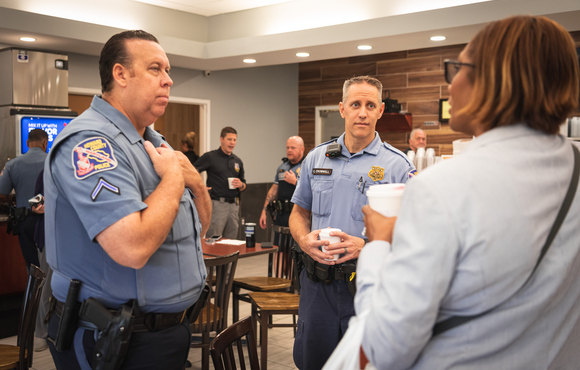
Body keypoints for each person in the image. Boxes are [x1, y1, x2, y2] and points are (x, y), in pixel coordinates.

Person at [355, 15, 580, 369]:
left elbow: (384, 348)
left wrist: (379, 244)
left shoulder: (441, 188)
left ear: (492, 82)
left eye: (457, 68)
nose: (452, 84)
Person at [44, 30, 211, 370]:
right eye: (155, 69)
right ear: (120, 74)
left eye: (167, 70)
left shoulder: (154, 143)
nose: (168, 80)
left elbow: (199, 229)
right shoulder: (90, 144)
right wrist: (177, 177)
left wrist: (197, 184)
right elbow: (131, 248)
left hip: (163, 333)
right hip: (111, 339)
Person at [290, 76, 416, 370]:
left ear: (380, 110)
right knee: (312, 362)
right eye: (355, 104)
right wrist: (303, 240)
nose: (363, 112)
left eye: (370, 105)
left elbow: (414, 232)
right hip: (316, 286)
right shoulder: (316, 158)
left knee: (364, 363)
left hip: (366, 286)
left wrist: (367, 245)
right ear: (342, 109)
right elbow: (299, 213)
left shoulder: (398, 165)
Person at [0, 128, 48, 270]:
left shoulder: (12, 165)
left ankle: (34, 290)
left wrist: (15, 197)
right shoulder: (54, 161)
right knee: (51, 264)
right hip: (49, 220)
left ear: (27, 143)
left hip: (25, 221)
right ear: (45, 143)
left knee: (33, 266)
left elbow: (1, 194)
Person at [194, 126, 246, 239]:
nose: (232, 143)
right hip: (217, 205)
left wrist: (241, 184)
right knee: (213, 238)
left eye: (234, 140)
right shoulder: (210, 157)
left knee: (231, 240)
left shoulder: (237, 161)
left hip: (234, 206)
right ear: (221, 139)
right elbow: (192, 171)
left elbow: (244, 184)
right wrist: (200, 187)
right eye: (229, 139)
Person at [259, 136, 305, 229]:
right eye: (287, 148)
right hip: (281, 214)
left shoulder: (307, 166)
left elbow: (310, 191)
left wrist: (295, 182)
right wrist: (264, 211)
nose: (289, 150)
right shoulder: (282, 167)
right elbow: (273, 191)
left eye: (293, 148)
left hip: (298, 214)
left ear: (302, 149)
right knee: (278, 243)